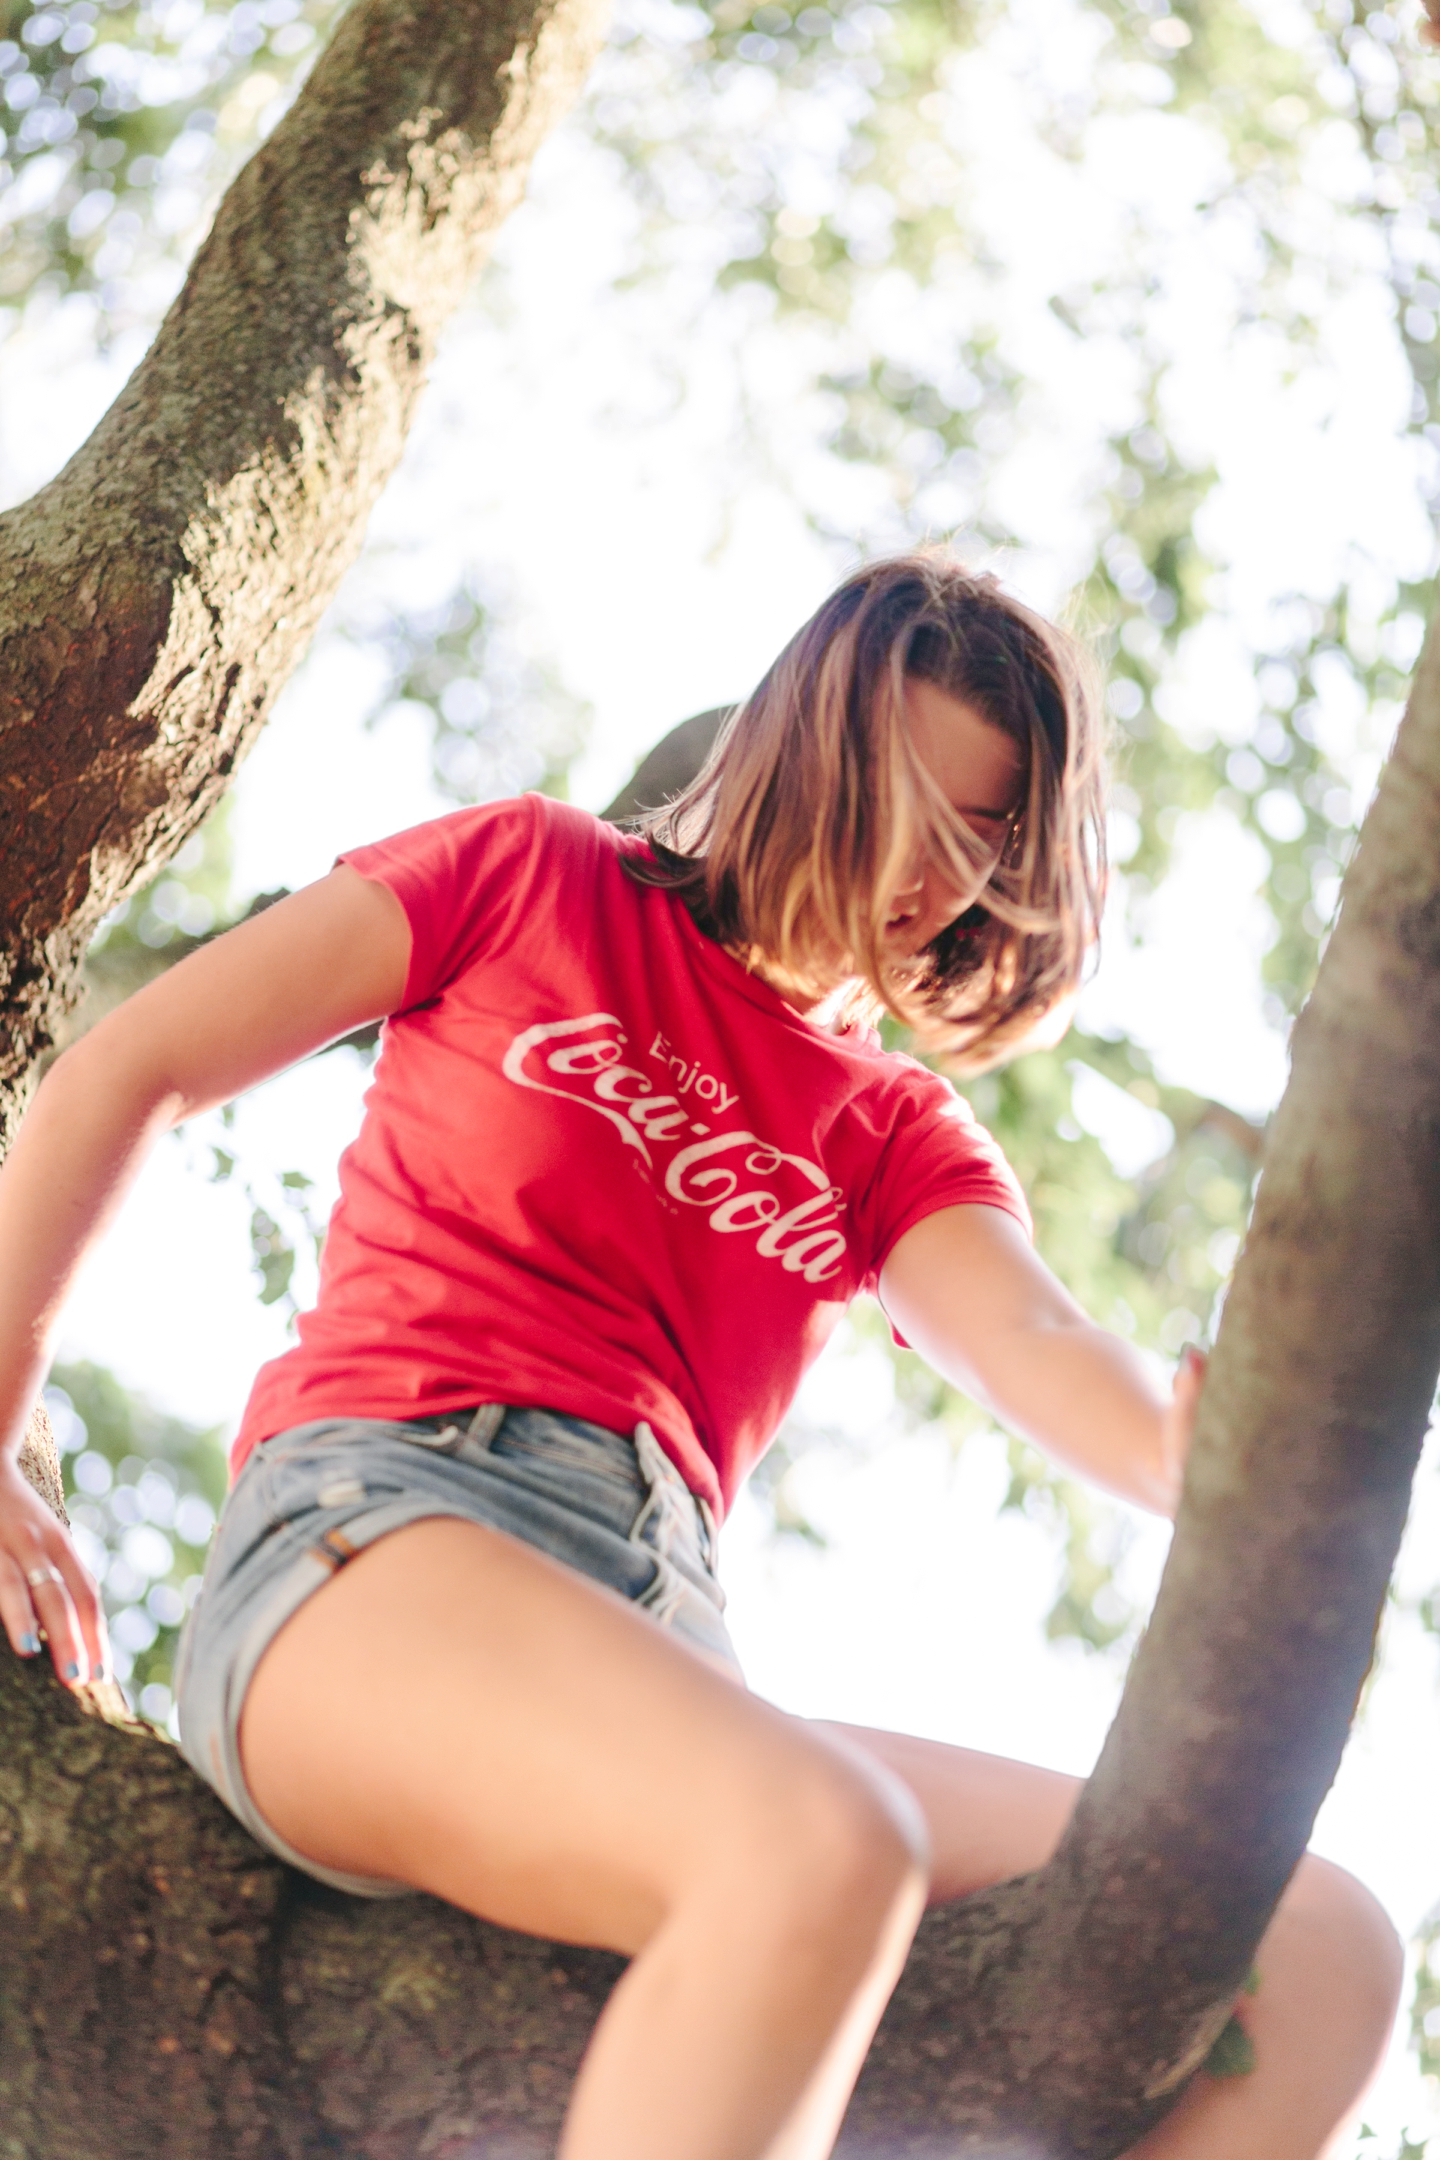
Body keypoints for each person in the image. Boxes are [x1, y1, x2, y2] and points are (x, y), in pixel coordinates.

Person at [0, 554, 1400, 2159]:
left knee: (1317, 1950)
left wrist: (1195, 1455)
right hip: (374, 1546)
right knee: (823, 1844)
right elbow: (132, 1066)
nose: (923, 880)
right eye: (900, 808)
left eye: (977, 842)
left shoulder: (889, 1129)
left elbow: (1027, 1330)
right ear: (805, 747)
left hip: (662, 1652)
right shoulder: (534, 874)